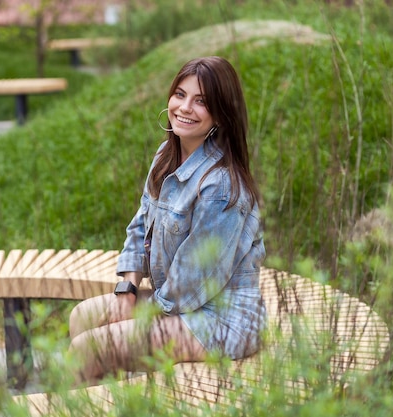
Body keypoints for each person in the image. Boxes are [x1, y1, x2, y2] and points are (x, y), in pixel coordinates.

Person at [68, 56, 266, 384]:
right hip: (180, 304)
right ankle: (115, 403)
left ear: (220, 114)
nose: (185, 107)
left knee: (91, 347)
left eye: (201, 101)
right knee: (83, 317)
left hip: (222, 320)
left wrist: (140, 314)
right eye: (180, 94)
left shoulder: (221, 185)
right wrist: (127, 291)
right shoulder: (166, 155)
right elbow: (139, 226)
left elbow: (194, 282)